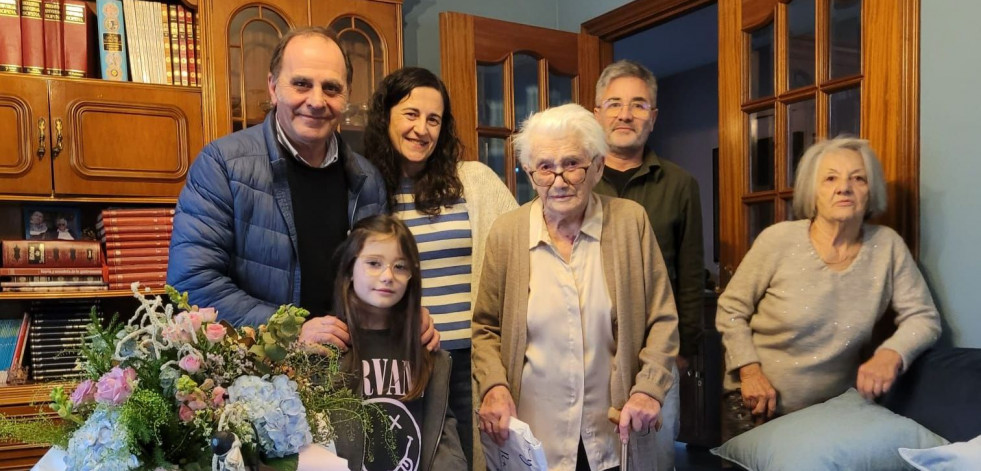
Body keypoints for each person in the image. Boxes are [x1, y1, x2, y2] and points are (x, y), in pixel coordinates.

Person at [167, 27, 437, 351]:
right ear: (273, 87)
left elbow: (377, 280)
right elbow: (192, 285)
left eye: (331, 88)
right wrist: (289, 331)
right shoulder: (222, 165)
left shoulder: (367, 180)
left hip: (344, 379)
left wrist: (406, 315)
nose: (317, 101)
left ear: (346, 95)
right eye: (301, 84)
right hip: (258, 381)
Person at [473, 103, 679, 471]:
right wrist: (493, 386)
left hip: (615, 437)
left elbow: (662, 319)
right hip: (534, 443)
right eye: (545, 168)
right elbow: (485, 327)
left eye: (572, 164)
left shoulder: (631, 223)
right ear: (530, 173)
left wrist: (649, 388)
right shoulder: (507, 233)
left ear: (598, 166)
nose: (559, 179)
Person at [716, 137, 941, 437]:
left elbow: (924, 318)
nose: (844, 187)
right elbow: (731, 308)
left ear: (870, 190)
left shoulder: (887, 246)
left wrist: (891, 354)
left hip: (835, 411)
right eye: (830, 178)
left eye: (858, 178)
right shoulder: (778, 241)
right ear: (814, 190)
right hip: (759, 405)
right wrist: (749, 371)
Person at [362, 66, 518, 468]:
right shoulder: (364, 189)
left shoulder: (474, 181)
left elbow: (520, 252)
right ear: (386, 117)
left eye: (434, 119)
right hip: (402, 362)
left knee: (475, 459)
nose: (422, 129)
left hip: (471, 361)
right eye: (411, 114)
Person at [331, 215, 468, 471]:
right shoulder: (329, 350)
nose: (387, 276)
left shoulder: (428, 354)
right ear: (350, 269)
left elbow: (443, 438)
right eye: (373, 263)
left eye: (400, 266)